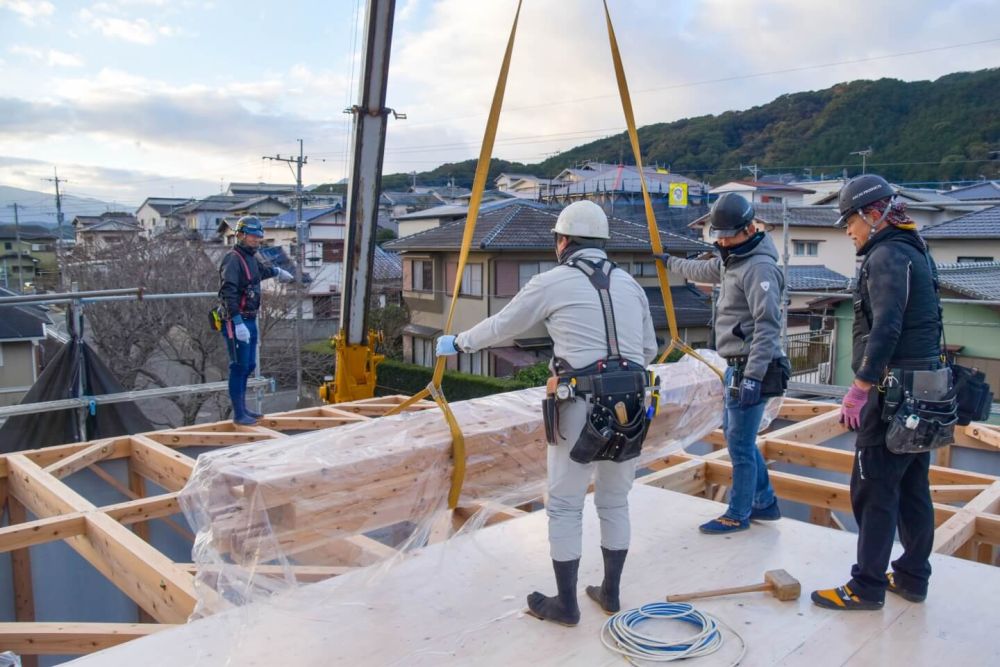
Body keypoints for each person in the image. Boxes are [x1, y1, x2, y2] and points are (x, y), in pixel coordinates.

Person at [436, 200, 657, 626]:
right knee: (614, 501)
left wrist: (459, 343)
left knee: (566, 505)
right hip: (632, 404)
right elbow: (646, 350)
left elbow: (504, 325)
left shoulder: (552, 281)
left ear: (564, 241)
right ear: (602, 242)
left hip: (581, 405)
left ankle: (566, 604)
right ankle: (610, 592)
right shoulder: (631, 284)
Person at [812, 174, 942, 611]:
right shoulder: (916, 251)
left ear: (872, 214)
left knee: (874, 491)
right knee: (912, 489)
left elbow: (887, 327)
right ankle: (912, 577)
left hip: (893, 395)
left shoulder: (886, 255)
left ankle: (866, 586)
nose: (848, 230)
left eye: (850, 220)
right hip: (924, 391)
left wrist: (861, 387)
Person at [656, 192, 788, 534]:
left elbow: (767, 326)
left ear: (749, 228)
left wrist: (753, 378)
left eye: (728, 234)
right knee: (735, 437)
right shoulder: (733, 260)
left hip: (755, 366)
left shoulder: (759, 266)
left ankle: (738, 513)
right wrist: (668, 261)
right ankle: (765, 502)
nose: (723, 240)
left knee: (740, 445)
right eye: (719, 235)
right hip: (737, 366)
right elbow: (703, 268)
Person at [218, 216, 293, 425]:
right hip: (237, 320)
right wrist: (236, 321)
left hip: (250, 318)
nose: (257, 240)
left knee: (249, 364)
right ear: (240, 235)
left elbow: (258, 273)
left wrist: (277, 271)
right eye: (252, 236)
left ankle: (243, 409)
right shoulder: (233, 259)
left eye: (259, 237)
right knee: (239, 366)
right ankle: (239, 413)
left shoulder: (251, 256)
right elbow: (228, 292)